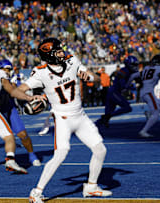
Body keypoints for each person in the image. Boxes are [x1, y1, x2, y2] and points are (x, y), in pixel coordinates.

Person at [16, 38, 112, 203]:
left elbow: (96, 79)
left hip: (80, 115)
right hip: (62, 118)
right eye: (58, 51)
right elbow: (19, 90)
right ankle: (36, 192)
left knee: (100, 149)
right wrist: (30, 97)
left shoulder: (72, 61)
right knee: (60, 154)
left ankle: (91, 187)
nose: (62, 53)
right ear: (50, 55)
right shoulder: (41, 72)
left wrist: (89, 76)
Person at [0, 59, 41, 167]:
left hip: (9, 109)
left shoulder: (13, 79)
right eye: (5, 69)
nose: (7, 71)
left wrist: (27, 101)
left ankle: (32, 155)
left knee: (22, 134)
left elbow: (17, 89)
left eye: (9, 69)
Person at [127, 54, 160, 138]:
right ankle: (143, 131)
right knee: (156, 114)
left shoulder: (146, 68)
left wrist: (127, 85)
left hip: (145, 93)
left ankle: (149, 112)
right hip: (148, 93)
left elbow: (133, 75)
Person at [95, 55, 139, 128]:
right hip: (114, 92)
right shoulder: (124, 70)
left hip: (112, 92)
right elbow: (122, 83)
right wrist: (130, 87)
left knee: (106, 117)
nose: (135, 67)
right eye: (134, 65)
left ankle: (94, 125)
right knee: (127, 108)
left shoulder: (127, 71)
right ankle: (104, 118)